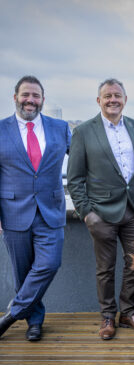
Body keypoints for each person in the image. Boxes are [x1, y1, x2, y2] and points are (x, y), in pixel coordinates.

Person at [67, 78, 134, 340]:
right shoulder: (83, 132)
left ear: (125, 99)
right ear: (99, 101)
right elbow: (75, 178)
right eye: (107, 96)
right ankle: (107, 316)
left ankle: (128, 313)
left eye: (117, 95)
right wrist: (87, 213)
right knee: (105, 268)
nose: (113, 100)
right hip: (101, 213)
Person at [0, 76, 71, 341]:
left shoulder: (61, 128)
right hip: (13, 212)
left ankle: (9, 316)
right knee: (23, 272)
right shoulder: (0, 129)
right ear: (15, 96)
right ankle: (34, 321)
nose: (30, 100)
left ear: (42, 99)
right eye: (25, 95)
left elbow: (82, 161)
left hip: (51, 210)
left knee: (49, 264)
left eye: (36, 96)